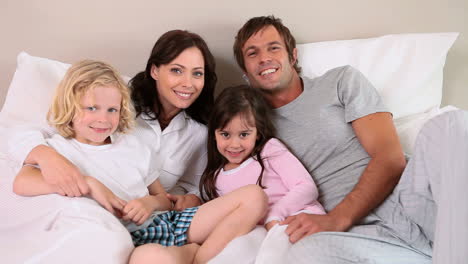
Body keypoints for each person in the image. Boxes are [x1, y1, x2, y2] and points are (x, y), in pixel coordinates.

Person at [233, 15, 468, 264]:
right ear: (246, 72)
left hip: (408, 197)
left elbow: (390, 159)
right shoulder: (250, 126)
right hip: (362, 237)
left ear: (293, 56)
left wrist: (338, 218)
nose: (264, 58)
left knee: (451, 123)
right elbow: (219, 168)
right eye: (252, 53)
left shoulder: (340, 82)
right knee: (304, 253)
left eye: (273, 48)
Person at [13, 59, 268, 264]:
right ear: (70, 105)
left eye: (112, 110)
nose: (103, 119)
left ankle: (199, 257)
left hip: (164, 223)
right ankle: (190, 254)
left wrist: (149, 202)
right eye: (92, 108)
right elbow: (21, 183)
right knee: (149, 258)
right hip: (133, 239)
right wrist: (89, 184)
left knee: (255, 196)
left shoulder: (131, 144)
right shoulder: (60, 149)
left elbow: (162, 199)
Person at [199, 85, 326, 232]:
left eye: (244, 134)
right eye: (225, 134)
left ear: (257, 133)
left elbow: (306, 187)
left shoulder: (270, 150)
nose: (234, 145)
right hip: (263, 232)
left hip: (300, 217)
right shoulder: (217, 179)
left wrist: (275, 215)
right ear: (214, 134)